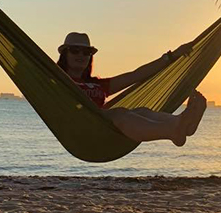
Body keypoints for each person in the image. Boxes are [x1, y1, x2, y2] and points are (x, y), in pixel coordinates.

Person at [57, 32, 206, 146]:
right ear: (65, 54)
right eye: (75, 50)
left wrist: (171, 56)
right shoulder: (57, 80)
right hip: (87, 131)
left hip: (105, 128)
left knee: (141, 111)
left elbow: (135, 75)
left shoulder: (98, 85)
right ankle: (172, 131)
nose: (81, 55)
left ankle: (182, 123)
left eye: (86, 52)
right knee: (119, 114)